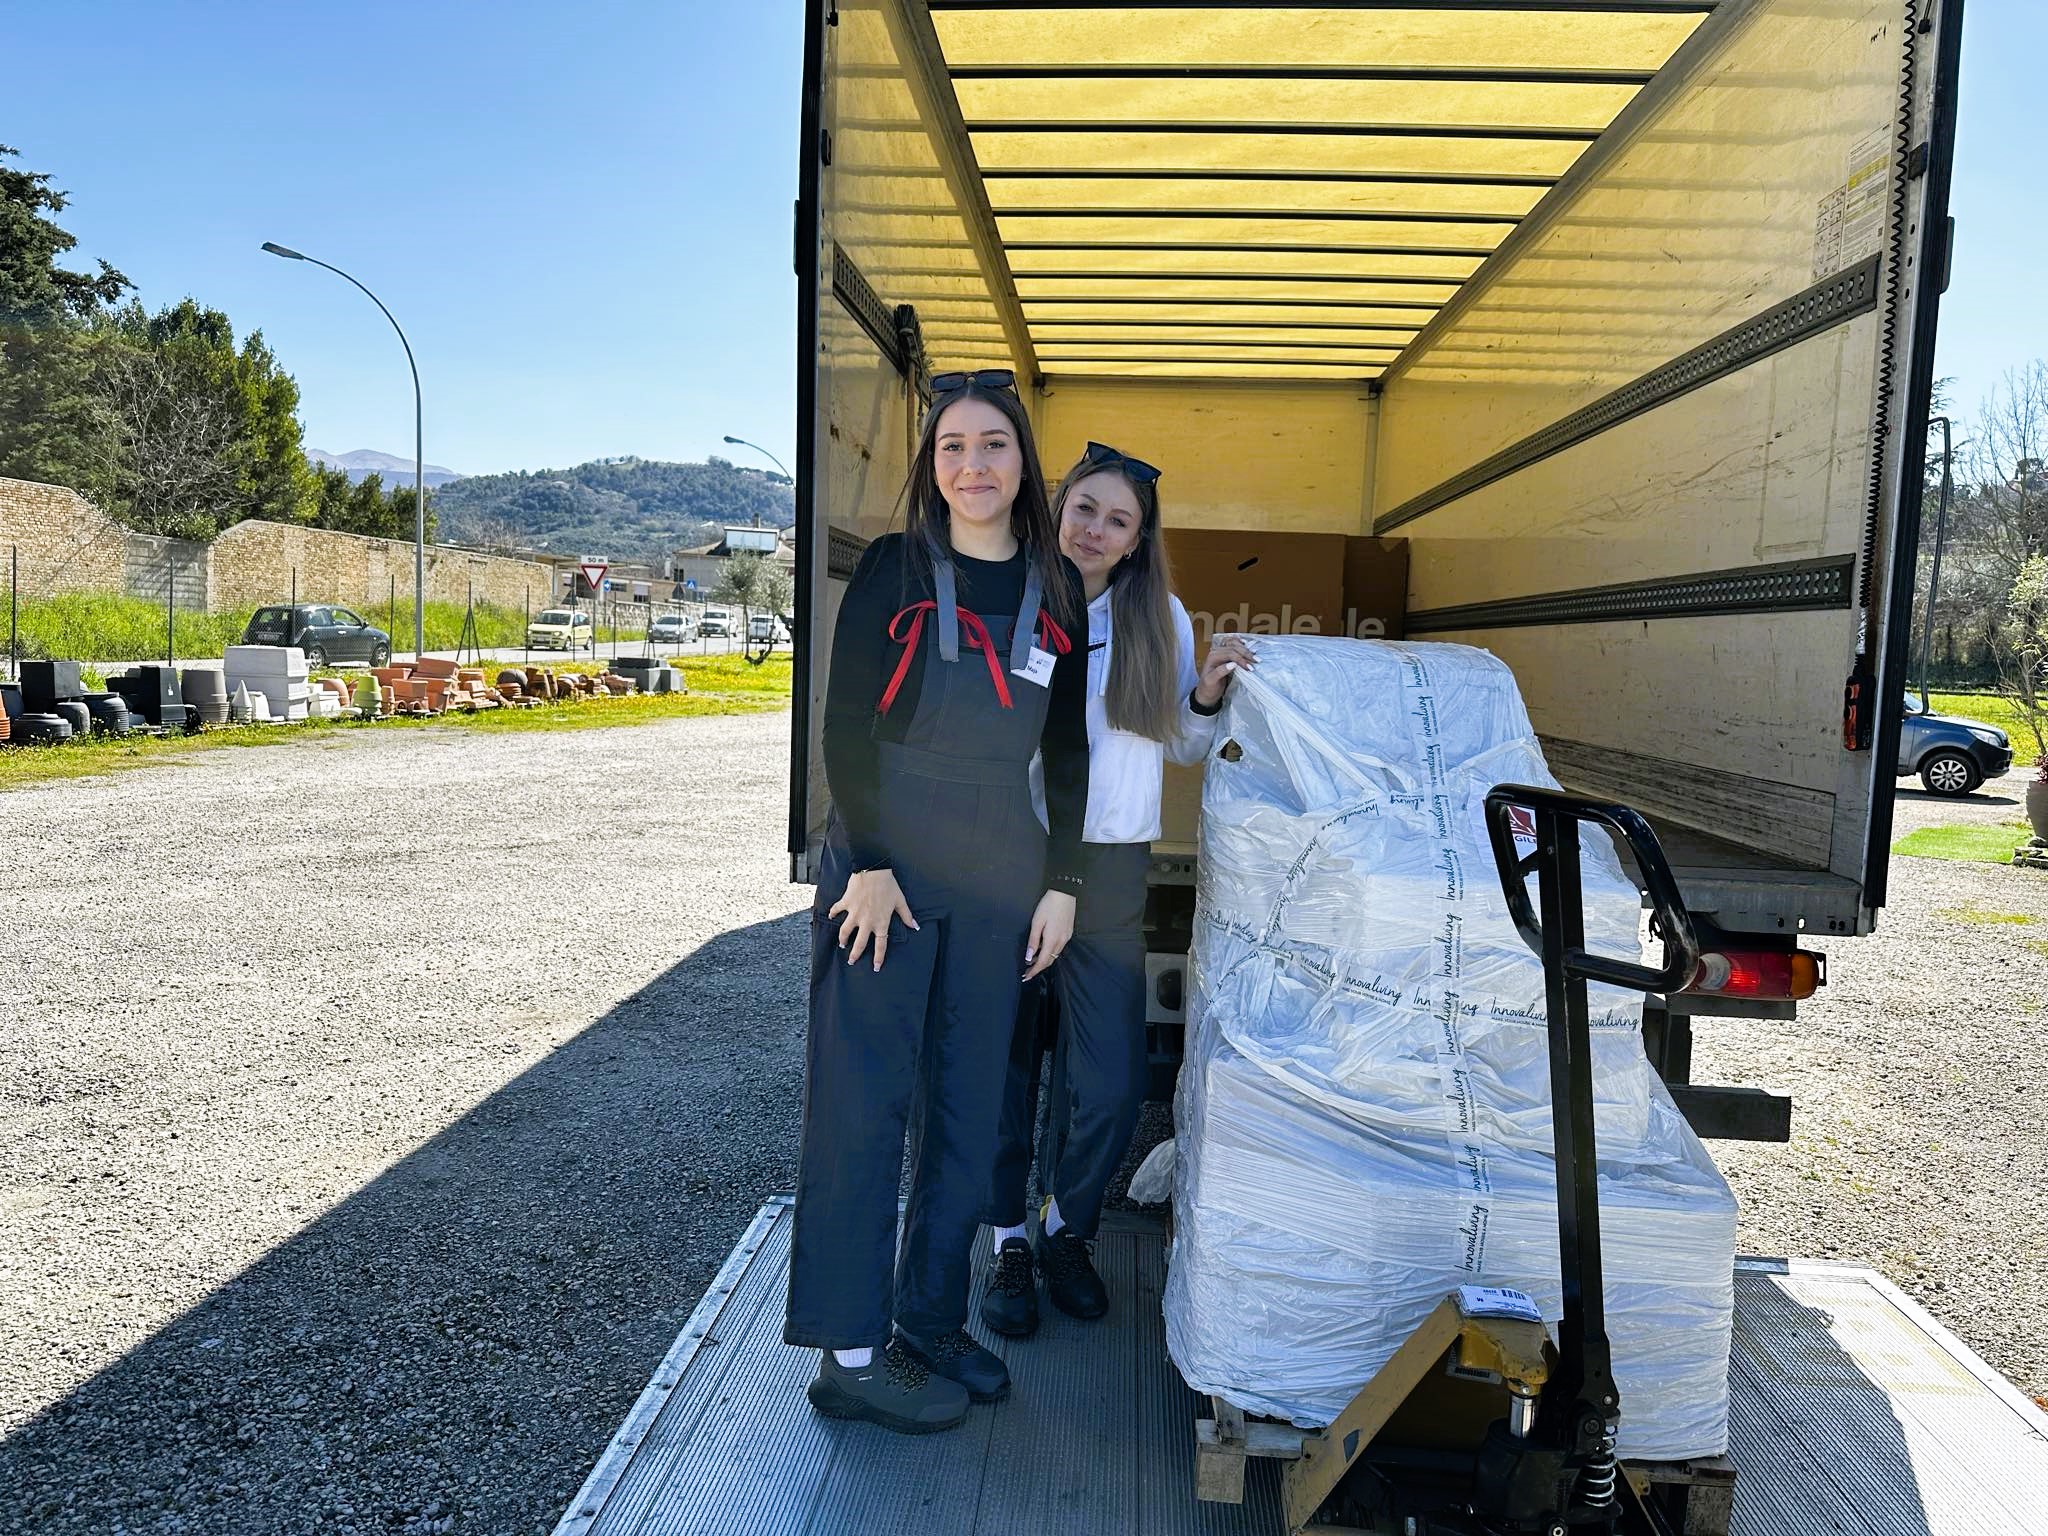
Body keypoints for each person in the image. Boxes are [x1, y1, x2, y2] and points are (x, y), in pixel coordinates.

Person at [785, 369, 1090, 1434]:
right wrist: (867, 862)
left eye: (993, 444)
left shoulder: (1059, 587)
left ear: (1023, 463)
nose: (972, 464)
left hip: (1001, 863)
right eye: (952, 446)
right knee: (865, 1103)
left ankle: (928, 1319)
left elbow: (1067, 749)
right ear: (931, 465)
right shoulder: (894, 567)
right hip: (889, 866)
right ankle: (850, 1351)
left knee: (971, 1105)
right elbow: (843, 725)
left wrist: (1063, 884)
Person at [980, 440, 1253, 1336]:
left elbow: (1182, 743)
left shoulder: (1156, 616)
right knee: (1003, 1070)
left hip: (1111, 870)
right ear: (1058, 510)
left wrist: (1204, 694)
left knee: (1109, 1081)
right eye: (1085, 509)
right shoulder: (1015, 599)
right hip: (1013, 860)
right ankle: (1008, 1240)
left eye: (1118, 521)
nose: (1095, 530)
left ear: (1139, 540)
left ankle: (1067, 1228)